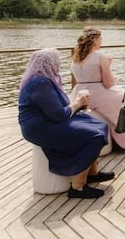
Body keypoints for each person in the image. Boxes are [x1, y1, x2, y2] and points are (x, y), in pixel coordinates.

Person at [18, 48, 114, 199]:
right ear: (50, 63)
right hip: (40, 127)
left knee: (101, 125)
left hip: (48, 120)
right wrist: (77, 104)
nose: (59, 64)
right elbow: (57, 114)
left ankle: (92, 172)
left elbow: (58, 109)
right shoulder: (40, 83)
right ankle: (78, 186)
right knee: (94, 136)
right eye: (56, 61)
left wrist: (77, 106)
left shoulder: (44, 79)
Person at [71, 27, 125, 150]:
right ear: (94, 40)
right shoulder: (100, 57)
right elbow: (108, 84)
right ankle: (124, 137)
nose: (101, 40)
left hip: (78, 93)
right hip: (97, 93)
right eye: (100, 38)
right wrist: (108, 66)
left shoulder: (76, 58)